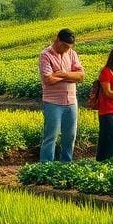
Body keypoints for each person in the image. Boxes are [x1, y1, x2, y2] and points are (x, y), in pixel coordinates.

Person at [38, 28, 84, 162]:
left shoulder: (72, 54)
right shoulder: (46, 55)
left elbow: (81, 76)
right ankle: (46, 167)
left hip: (71, 101)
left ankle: (66, 164)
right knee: (51, 136)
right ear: (57, 40)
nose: (66, 49)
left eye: (69, 47)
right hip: (53, 102)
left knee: (70, 136)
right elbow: (48, 79)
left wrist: (62, 74)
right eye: (64, 46)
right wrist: (71, 75)